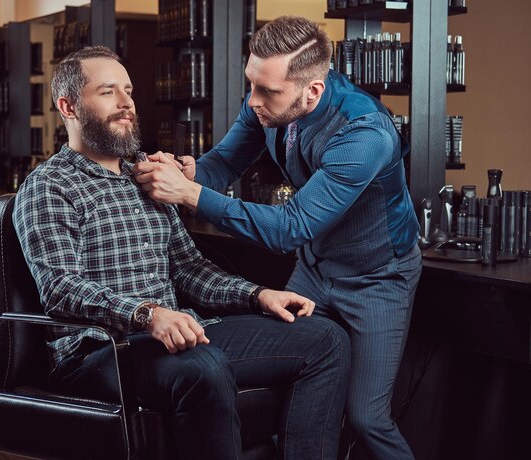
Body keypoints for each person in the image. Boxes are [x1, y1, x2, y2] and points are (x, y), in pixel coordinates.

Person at [12, 45, 350, 460]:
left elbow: (189, 268)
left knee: (325, 339)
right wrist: (148, 314)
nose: (126, 103)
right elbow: (61, 288)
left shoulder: (150, 175)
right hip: (99, 351)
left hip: (179, 335)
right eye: (108, 92)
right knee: (203, 369)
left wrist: (258, 295)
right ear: (68, 106)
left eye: (129, 90)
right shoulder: (49, 186)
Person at [134, 16, 423, 460]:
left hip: (376, 278)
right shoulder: (269, 97)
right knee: (295, 381)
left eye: (266, 92)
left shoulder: (365, 134)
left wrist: (190, 194)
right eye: (251, 84)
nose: (252, 101)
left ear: (312, 92)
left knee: (367, 417)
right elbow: (224, 163)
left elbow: (290, 228)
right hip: (314, 268)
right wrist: (187, 173)